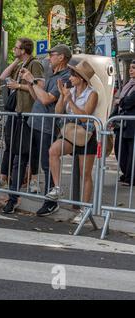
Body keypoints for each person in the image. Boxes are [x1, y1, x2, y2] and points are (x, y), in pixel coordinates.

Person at [2, 44, 71, 216]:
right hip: (32, 122)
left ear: (61, 57)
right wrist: (29, 83)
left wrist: (32, 80)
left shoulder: (66, 76)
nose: (49, 58)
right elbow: (37, 98)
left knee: (46, 164)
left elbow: (47, 100)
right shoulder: (52, 75)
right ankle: (12, 198)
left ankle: (50, 202)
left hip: (47, 126)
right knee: (19, 159)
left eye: (52, 55)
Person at [47, 60, 98, 223]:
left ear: (82, 78)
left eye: (74, 74)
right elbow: (58, 112)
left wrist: (69, 100)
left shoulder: (92, 94)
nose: (70, 76)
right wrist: (63, 96)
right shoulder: (70, 90)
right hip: (69, 131)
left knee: (85, 174)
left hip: (86, 134)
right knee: (53, 151)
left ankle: (85, 209)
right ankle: (57, 188)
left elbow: (84, 116)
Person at [0, 38, 44, 195]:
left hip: (28, 111)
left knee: (31, 148)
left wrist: (19, 86)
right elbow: (3, 76)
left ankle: (34, 180)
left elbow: (39, 86)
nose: (13, 50)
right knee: (11, 144)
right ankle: (3, 177)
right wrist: (16, 61)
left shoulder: (34, 64)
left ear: (23, 50)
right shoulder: (20, 65)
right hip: (16, 110)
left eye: (16, 48)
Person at [112, 60, 135, 186]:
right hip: (122, 123)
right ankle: (126, 173)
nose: (131, 70)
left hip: (132, 125)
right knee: (120, 149)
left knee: (132, 152)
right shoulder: (128, 84)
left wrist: (119, 101)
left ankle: (131, 177)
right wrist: (112, 117)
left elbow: (128, 101)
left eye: (134, 68)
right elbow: (120, 101)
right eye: (130, 67)